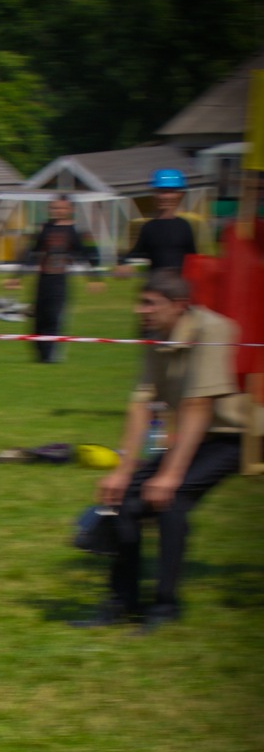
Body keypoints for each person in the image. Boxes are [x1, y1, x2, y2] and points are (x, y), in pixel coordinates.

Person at [77, 269, 248, 632]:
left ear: (179, 306)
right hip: (194, 434)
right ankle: (121, 603)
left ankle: (165, 606)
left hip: (235, 434)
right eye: (140, 302)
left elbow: (200, 405)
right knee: (123, 500)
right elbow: (141, 403)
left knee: (170, 500)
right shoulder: (156, 336)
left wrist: (169, 474)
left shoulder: (212, 331)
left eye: (150, 303)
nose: (141, 310)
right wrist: (124, 470)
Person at [7, 194, 102, 362]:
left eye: (62, 208)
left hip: (60, 282)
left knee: (53, 318)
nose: (58, 211)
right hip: (42, 281)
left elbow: (84, 256)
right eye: (55, 208)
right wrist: (17, 277)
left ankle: (50, 356)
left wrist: (93, 278)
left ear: (70, 210)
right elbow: (31, 254)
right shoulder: (44, 229)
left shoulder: (74, 232)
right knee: (37, 319)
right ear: (49, 209)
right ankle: (40, 354)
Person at [117, 169, 196, 278]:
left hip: (178, 288)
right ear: (154, 194)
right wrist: (124, 264)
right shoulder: (149, 228)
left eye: (170, 191)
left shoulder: (184, 226)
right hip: (155, 287)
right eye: (161, 191)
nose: (165, 196)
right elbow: (135, 254)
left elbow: (193, 259)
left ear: (180, 194)